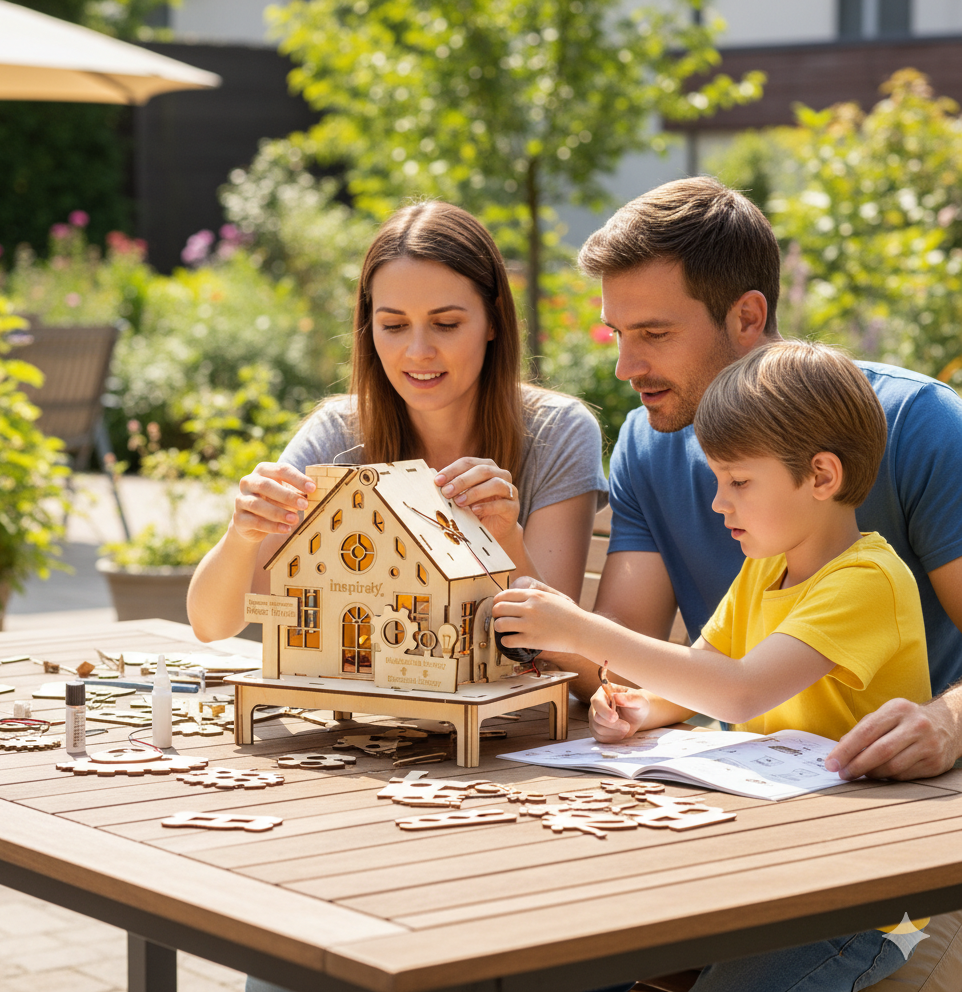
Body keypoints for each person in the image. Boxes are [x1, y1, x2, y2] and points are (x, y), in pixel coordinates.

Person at [529, 176, 962, 991]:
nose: (624, 366)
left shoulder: (917, 426)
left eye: (652, 332)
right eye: (616, 333)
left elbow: (719, 682)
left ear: (749, 317)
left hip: (907, 851)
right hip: (752, 832)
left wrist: (950, 720)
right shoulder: (652, 447)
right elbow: (636, 662)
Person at [493, 339, 931, 991]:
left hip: (862, 898)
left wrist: (581, 629)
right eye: (716, 480)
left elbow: (738, 693)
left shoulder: (868, 581)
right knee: (572, 945)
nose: (719, 503)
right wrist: (645, 707)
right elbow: (706, 671)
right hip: (766, 863)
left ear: (821, 476)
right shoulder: (764, 569)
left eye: (738, 482)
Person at [187, 198, 608, 645]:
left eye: (445, 324)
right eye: (393, 326)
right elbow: (212, 626)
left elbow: (560, 649)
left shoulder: (557, 432)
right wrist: (242, 534)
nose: (418, 352)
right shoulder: (338, 433)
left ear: (493, 321)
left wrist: (507, 538)